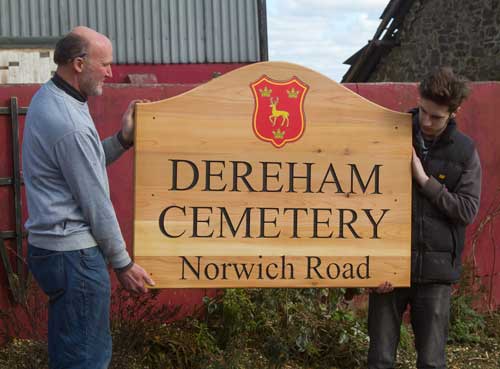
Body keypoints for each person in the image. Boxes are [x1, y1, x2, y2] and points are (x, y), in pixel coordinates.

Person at [22, 26, 155, 369]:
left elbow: (82, 164)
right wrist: (123, 263)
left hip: (55, 252)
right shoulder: (70, 122)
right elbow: (96, 201)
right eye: (105, 64)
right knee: (86, 359)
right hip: (75, 257)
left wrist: (123, 140)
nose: (111, 72)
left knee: (71, 352)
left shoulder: (51, 96)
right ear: (79, 64)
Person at [367, 67, 482, 369]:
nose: (427, 122)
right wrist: (372, 267)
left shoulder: (465, 152)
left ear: (455, 112)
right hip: (389, 270)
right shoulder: (389, 135)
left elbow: (467, 210)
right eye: (423, 112)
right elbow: (363, 201)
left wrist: (424, 180)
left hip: (436, 273)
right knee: (379, 360)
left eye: (437, 117)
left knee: (431, 362)